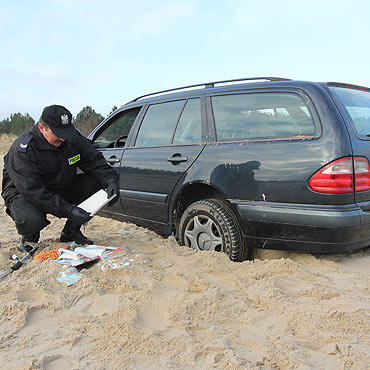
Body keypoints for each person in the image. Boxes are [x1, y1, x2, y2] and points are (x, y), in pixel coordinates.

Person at [1, 104, 119, 252]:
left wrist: (110, 181)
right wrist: (68, 210)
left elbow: (94, 160)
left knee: (98, 182)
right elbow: (32, 190)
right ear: (42, 128)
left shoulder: (71, 138)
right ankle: (30, 238)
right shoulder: (24, 150)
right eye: (57, 133)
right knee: (31, 219)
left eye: (65, 132)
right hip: (23, 193)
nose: (62, 138)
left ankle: (71, 232)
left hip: (60, 184)